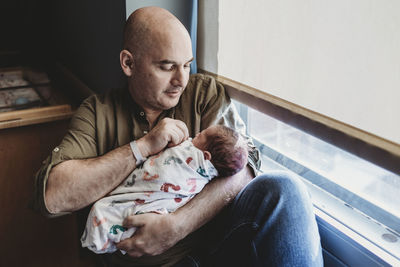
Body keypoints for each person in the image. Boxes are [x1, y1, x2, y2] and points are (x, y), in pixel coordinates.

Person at [34, 6, 323, 266]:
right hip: (143, 261)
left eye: (186, 64)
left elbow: (244, 168)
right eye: (167, 66)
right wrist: (141, 147)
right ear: (128, 63)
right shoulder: (97, 113)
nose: (181, 79)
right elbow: (54, 196)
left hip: (215, 248)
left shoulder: (202, 95)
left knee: (286, 188)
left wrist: (177, 226)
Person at [81, 125, 248, 254]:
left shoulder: (194, 158)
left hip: (184, 248)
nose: (195, 135)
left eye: (200, 135)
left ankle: (104, 234)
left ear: (206, 157)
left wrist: (178, 224)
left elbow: (249, 164)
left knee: (104, 210)